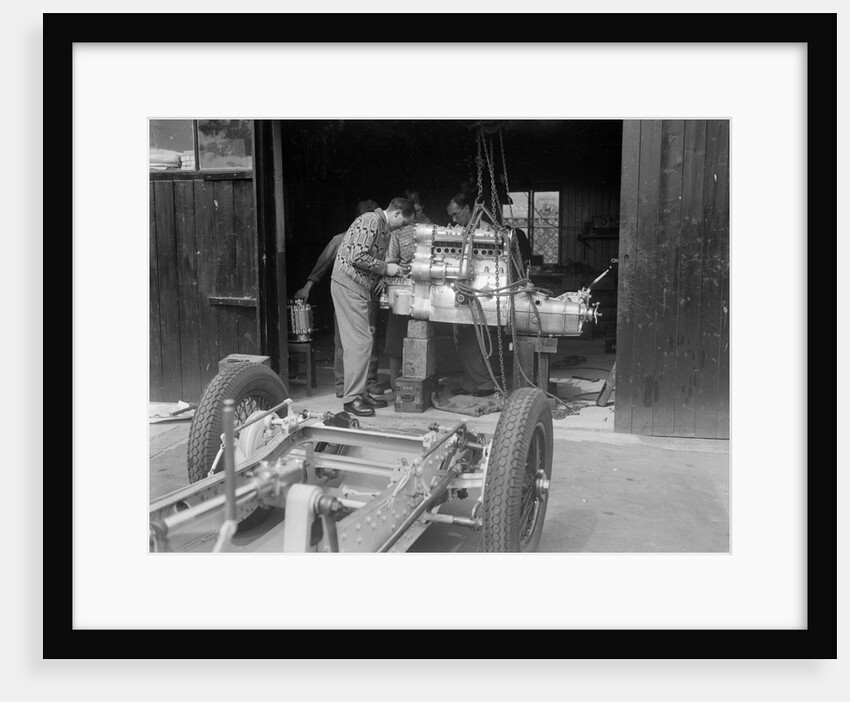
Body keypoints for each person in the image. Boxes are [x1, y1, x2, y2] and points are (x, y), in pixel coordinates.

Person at [331, 197, 416, 416]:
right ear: (396, 213)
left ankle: (359, 393)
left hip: (359, 288)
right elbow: (357, 256)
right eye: (404, 222)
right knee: (359, 343)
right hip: (348, 284)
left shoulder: (384, 229)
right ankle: (351, 399)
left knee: (363, 342)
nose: (404, 228)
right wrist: (386, 269)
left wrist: (385, 273)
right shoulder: (370, 221)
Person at [294, 200, 381, 398]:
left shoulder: (382, 239)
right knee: (344, 341)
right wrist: (308, 286)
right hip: (347, 296)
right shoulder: (341, 239)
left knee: (369, 340)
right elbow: (323, 264)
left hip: (369, 297)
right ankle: (343, 385)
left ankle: (369, 382)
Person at [446, 193, 499, 397]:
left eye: (456, 214)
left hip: (482, 291)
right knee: (461, 338)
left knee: (472, 339)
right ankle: (471, 384)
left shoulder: (488, 231)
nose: (453, 219)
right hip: (461, 289)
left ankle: (484, 383)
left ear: (467, 208)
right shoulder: (456, 231)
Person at [383, 190, 431, 387]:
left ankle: (422, 377)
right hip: (404, 287)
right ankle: (395, 381)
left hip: (426, 288)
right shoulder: (396, 231)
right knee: (396, 335)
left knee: (423, 335)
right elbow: (391, 260)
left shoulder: (430, 227)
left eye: (418, 207)